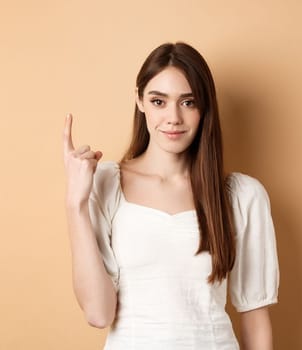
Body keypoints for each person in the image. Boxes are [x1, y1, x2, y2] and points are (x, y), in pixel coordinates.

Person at [62, 42, 279, 350]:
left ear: (205, 108)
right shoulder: (106, 184)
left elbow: (256, 322)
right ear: (139, 101)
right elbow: (98, 313)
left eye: (188, 102)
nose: (173, 117)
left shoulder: (242, 196)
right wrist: (75, 204)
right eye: (158, 101)